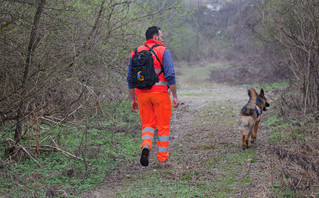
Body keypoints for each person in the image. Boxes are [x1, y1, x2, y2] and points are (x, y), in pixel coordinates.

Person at [127, 26, 179, 166]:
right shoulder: (163, 50)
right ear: (155, 37)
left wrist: (133, 99)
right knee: (163, 126)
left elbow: (130, 79)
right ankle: (162, 159)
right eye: (161, 36)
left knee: (148, 124)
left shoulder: (135, 52)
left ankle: (146, 145)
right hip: (160, 94)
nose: (162, 39)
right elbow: (170, 75)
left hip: (141, 95)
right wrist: (174, 95)